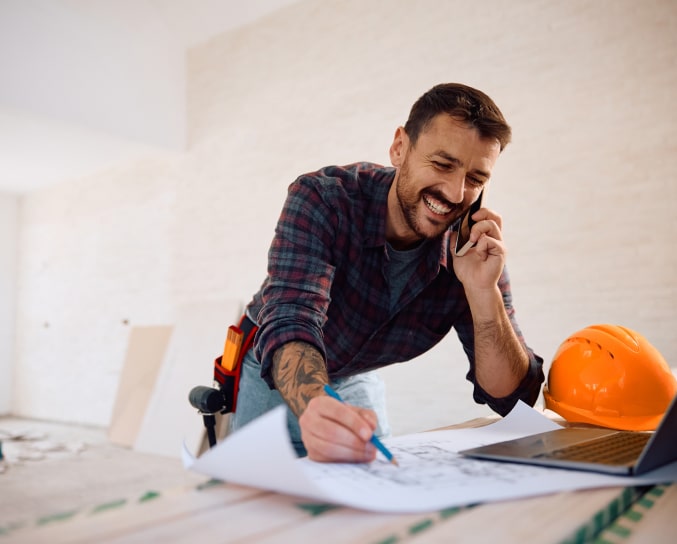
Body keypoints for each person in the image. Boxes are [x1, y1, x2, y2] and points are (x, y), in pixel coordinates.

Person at [229, 82, 544, 463]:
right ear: (400, 148)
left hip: (355, 370)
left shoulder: (474, 251)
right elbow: (291, 319)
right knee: (258, 491)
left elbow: (512, 399)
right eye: (442, 164)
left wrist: (482, 292)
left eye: (476, 179)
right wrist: (315, 406)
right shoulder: (324, 199)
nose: (456, 192)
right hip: (278, 362)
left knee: (372, 478)